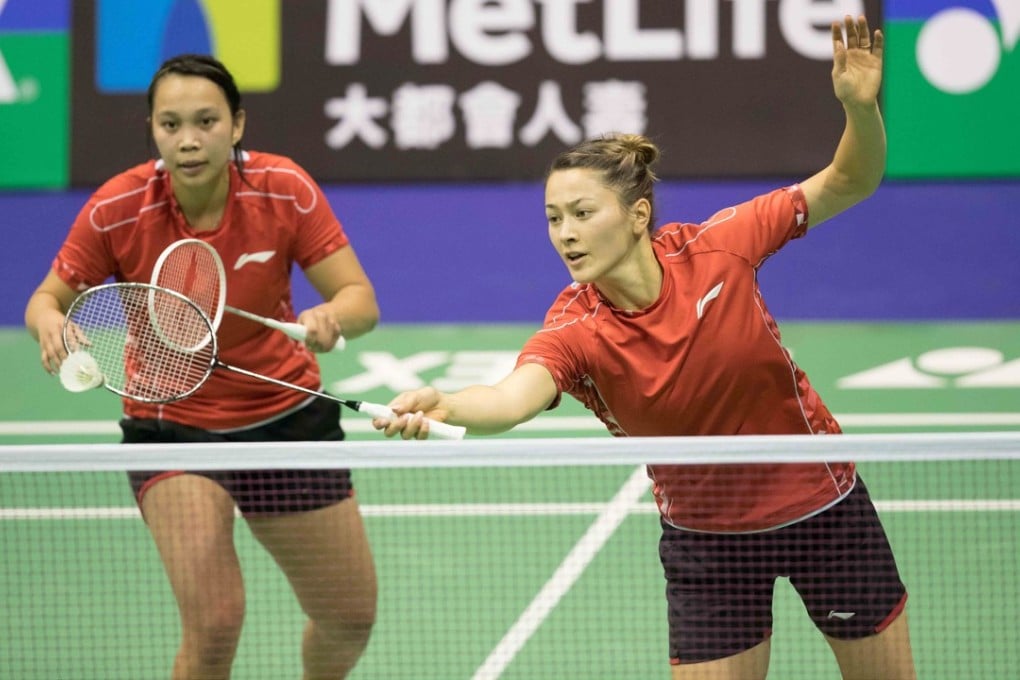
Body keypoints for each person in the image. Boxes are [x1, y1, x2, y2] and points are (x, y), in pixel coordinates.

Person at [375, 16, 916, 680]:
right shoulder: (575, 326)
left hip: (821, 509)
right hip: (706, 544)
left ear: (637, 216)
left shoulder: (720, 246)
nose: (565, 235)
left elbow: (848, 182)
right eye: (553, 218)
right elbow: (511, 399)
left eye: (582, 213)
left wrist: (859, 111)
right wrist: (446, 404)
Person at [25, 54, 379, 679]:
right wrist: (52, 323)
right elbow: (47, 298)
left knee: (349, 616)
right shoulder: (118, 207)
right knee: (215, 620)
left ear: (237, 125)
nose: (188, 140)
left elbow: (361, 301)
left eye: (206, 121)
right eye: (171, 124)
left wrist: (333, 319)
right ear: (154, 130)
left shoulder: (283, 188)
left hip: (286, 418)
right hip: (173, 428)